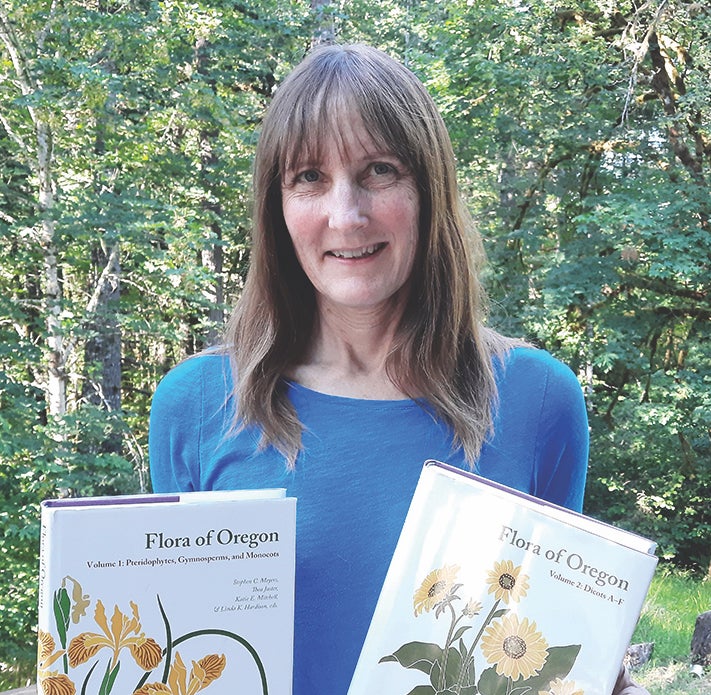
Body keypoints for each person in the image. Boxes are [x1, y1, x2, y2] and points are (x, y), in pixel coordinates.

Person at [149, 43, 648, 694]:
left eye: (378, 170)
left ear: (427, 190)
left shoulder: (539, 400)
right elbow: (181, 659)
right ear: (277, 206)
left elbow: (545, 648)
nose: (345, 214)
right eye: (308, 177)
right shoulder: (193, 404)